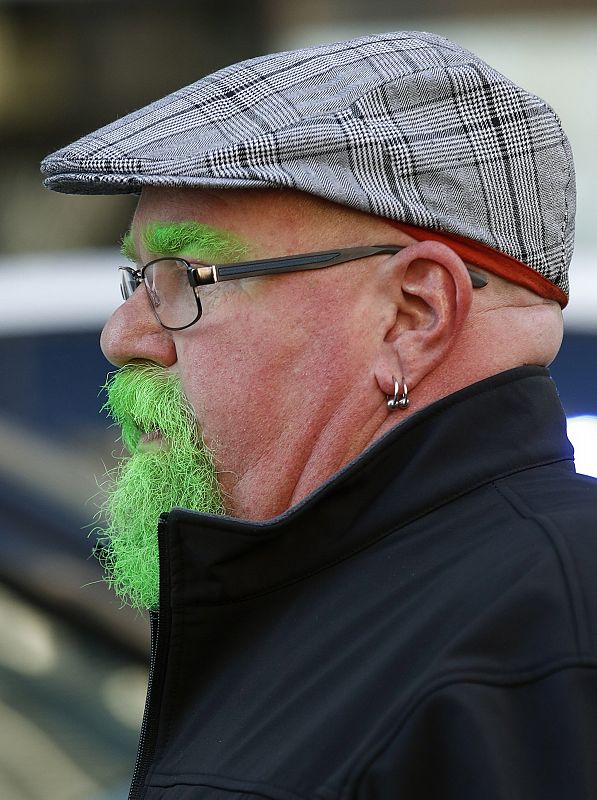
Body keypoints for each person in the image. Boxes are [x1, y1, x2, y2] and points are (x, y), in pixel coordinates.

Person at [41, 31, 597, 800]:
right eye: (136, 277)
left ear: (413, 314)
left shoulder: (548, 634)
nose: (122, 336)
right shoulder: (344, 605)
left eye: (182, 276)